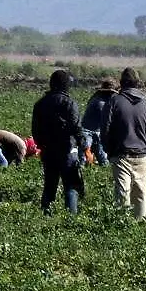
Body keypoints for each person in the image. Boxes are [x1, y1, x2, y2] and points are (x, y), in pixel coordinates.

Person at [102, 67, 146, 220]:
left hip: (121, 154)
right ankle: (140, 223)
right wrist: (144, 148)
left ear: (121, 83)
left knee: (122, 192)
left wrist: (109, 150)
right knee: (140, 192)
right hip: (141, 154)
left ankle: (122, 225)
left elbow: (105, 129)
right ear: (137, 83)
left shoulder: (114, 101)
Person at [31, 70, 85, 215]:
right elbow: (76, 128)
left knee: (49, 186)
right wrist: (84, 146)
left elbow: (35, 130)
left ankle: (46, 215)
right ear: (65, 85)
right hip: (67, 150)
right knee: (71, 186)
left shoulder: (40, 104)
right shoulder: (69, 103)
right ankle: (70, 218)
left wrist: (42, 145)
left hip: (48, 151)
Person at [81, 79, 117, 166]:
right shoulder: (100, 103)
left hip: (97, 131)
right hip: (87, 131)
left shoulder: (99, 99)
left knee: (103, 158)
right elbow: (108, 121)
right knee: (84, 158)